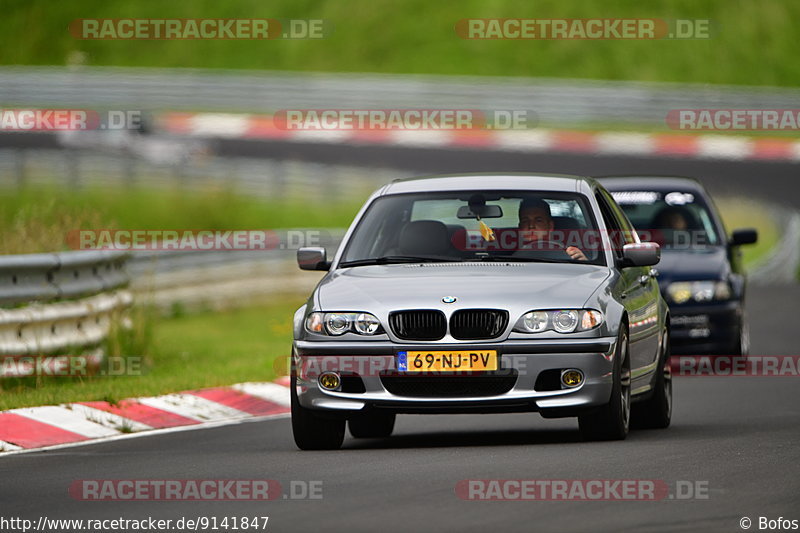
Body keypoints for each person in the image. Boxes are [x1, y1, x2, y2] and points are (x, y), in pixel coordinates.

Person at [517, 198, 587, 261]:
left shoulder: (569, 254)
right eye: (525, 221)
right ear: (520, 228)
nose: (531, 226)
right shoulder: (507, 256)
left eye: (538, 220)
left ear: (550, 226)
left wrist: (583, 262)